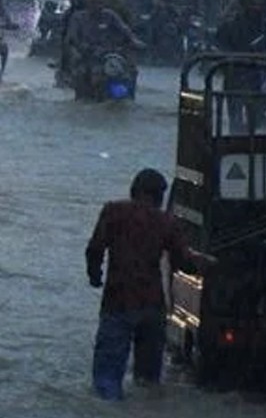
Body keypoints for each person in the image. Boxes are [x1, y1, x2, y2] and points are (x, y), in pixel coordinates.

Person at [85, 169, 195, 401]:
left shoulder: (113, 212)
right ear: (159, 196)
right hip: (152, 306)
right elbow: (182, 262)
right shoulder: (166, 221)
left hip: (118, 302)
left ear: (134, 190)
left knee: (107, 381)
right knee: (148, 383)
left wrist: (95, 277)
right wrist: (205, 264)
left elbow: (95, 249)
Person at [66, 0, 146, 87]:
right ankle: (84, 94)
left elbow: (124, 29)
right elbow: (72, 38)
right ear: (87, 3)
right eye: (92, 2)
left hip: (108, 53)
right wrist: (79, 48)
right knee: (81, 73)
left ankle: (129, 90)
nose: (96, 6)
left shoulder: (109, 15)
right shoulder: (78, 17)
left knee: (129, 70)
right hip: (87, 54)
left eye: (99, 2)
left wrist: (134, 41)